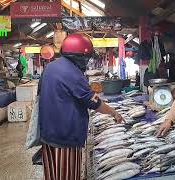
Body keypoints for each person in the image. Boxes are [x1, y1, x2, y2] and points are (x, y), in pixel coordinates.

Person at [38, 33, 124, 180]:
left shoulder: (50, 67)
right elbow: (94, 103)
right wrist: (114, 113)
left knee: (53, 175)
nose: (87, 61)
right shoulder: (73, 73)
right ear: (79, 56)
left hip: (47, 135)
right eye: (87, 57)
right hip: (65, 138)